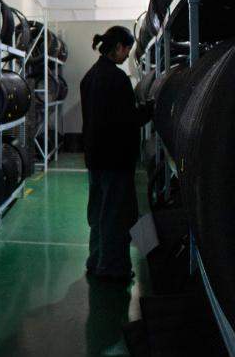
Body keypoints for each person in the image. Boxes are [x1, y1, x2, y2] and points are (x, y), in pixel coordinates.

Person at [80, 25, 152, 282]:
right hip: (116, 159)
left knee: (98, 212)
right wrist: (149, 110)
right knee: (116, 216)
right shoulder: (117, 79)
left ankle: (95, 260)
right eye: (127, 50)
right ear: (119, 47)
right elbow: (127, 120)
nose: (127, 55)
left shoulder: (89, 77)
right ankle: (112, 269)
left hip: (95, 158)